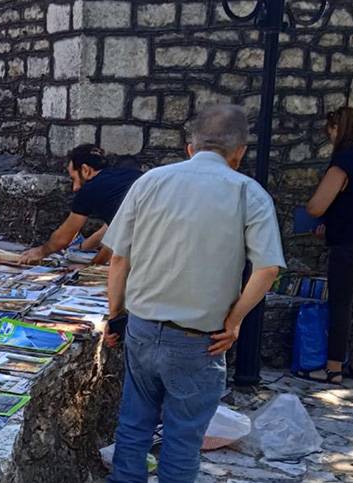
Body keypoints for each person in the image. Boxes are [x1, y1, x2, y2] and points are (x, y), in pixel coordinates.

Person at [103, 104, 284, 482]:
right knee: (182, 442)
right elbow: (267, 269)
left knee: (133, 428)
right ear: (239, 153)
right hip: (198, 340)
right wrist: (234, 322)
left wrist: (115, 314)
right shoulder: (248, 193)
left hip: (142, 329)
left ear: (190, 146)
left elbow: (119, 258)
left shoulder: (150, 181)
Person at [304, 106, 353, 383]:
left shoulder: (344, 162)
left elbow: (315, 206)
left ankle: (332, 368)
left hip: (349, 244)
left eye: (330, 131)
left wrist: (325, 218)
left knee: (341, 305)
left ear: (338, 129)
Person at [18, 144, 141, 265]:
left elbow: (64, 237)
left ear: (85, 170)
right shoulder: (126, 177)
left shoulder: (90, 188)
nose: (75, 187)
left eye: (74, 179)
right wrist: (83, 247)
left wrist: (41, 251)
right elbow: (113, 228)